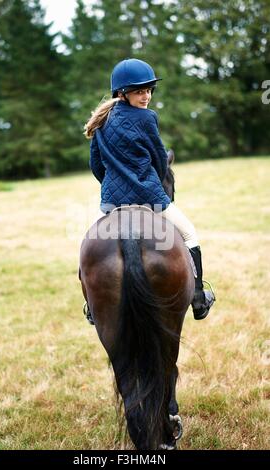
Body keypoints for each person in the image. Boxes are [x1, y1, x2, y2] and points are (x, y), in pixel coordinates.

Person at [83, 58, 215, 323]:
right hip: (151, 198)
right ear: (122, 93)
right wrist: (148, 181)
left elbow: (96, 165)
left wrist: (114, 185)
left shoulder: (101, 122)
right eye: (139, 91)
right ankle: (199, 298)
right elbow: (158, 158)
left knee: (90, 245)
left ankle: (91, 306)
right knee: (189, 233)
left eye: (149, 90)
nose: (146, 96)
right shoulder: (146, 118)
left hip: (111, 203)